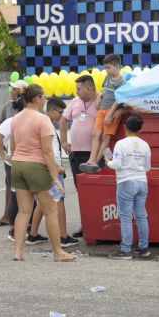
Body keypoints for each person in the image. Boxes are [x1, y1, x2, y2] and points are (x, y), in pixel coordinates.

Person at [10, 84, 76, 262]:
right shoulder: (42, 120)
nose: (45, 100)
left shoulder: (16, 118)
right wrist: (55, 177)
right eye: (44, 97)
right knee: (51, 210)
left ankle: (17, 251)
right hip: (35, 166)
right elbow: (47, 151)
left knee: (24, 211)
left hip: (18, 165)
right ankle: (58, 252)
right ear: (38, 98)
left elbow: (13, 146)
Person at [0, 101, 47, 247]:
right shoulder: (15, 120)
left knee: (21, 197)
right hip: (20, 163)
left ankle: (25, 228)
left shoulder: (18, 120)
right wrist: (4, 155)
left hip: (20, 162)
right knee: (20, 197)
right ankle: (14, 230)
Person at [27, 96, 78, 247]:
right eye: (60, 113)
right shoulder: (45, 125)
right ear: (51, 110)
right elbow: (46, 150)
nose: (61, 117)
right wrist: (56, 167)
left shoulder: (43, 123)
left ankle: (33, 234)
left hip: (45, 168)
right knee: (59, 201)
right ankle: (63, 236)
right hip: (51, 169)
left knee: (42, 202)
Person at [60, 74, 101, 238]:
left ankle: (98, 224)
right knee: (81, 191)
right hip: (76, 154)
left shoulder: (100, 101)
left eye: (79, 89)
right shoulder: (75, 102)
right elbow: (63, 120)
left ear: (89, 88)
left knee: (96, 192)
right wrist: (64, 141)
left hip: (94, 155)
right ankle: (86, 225)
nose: (76, 92)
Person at [106, 115, 152, 259]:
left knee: (126, 218)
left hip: (126, 182)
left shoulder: (121, 143)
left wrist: (108, 161)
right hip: (142, 182)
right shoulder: (145, 144)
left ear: (125, 127)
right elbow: (147, 167)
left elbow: (117, 165)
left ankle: (126, 250)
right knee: (141, 216)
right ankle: (143, 248)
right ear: (140, 129)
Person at [0, 79, 28, 227]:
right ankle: (9, 218)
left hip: (26, 155)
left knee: (24, 189)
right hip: (12, 155)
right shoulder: (7, 106)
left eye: (15, 89)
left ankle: (24, 222)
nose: (12, 91)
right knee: (11, 187)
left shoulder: (30, 107)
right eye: (11, 89)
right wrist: (3, 151)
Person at [81, 54, 126, 172]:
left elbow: (118, 100)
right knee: (96, 134)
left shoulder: (122, 82)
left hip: (111, 111)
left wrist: (110, 114)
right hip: (101, 110)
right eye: (105, 67)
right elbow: (104, 91)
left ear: (116, 66)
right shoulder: (107, 78)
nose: (106, 70)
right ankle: (91, 159)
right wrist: (99, 97)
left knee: (106, 136)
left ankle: (96, 161)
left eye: (108, 67)